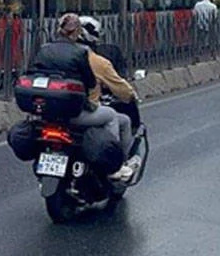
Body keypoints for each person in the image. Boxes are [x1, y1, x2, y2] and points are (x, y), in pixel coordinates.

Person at [30, 14, 139, 180]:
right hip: (76, 113)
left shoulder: (45, 50)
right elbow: (91, 83)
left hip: (49, 112)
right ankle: (113, 165)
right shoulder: (88, 58)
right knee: (114, 117)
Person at [78, 16, 140, 131]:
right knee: (118, 119)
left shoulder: (54, 56)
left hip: (55, 111)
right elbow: (122, 89)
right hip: (82, 111)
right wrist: (131, 95)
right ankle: (112, 149)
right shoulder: (97, 61)